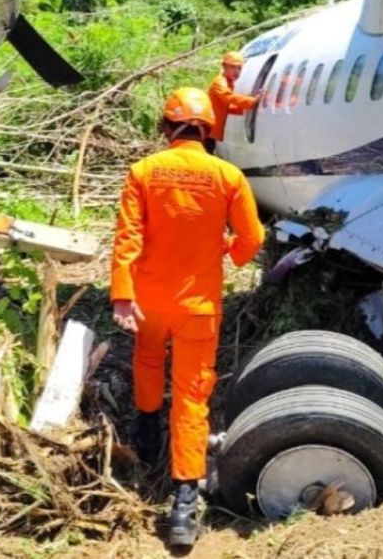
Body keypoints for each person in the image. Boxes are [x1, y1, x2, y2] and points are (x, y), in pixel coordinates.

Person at [110, 87, 266, 547]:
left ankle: (144, 433)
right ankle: (183, 504)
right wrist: (228, 252)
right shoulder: (228, 175)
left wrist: (122, 294)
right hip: (199, 307)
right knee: (192, 397)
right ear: (208, 129)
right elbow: (252, 238)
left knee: (147, 359)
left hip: (150, 303)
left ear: (166, 127)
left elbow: (128, 239)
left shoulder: (143, 172)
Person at [206, 50, 258, 154]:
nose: (236, 71)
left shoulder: (228, 83)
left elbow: (225, 107)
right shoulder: (219, 82)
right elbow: (228, 97)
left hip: (211, 132)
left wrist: (245, 108)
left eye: (239, 68)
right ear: (224, 67)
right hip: (207, 130)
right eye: (233, 67)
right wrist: (252, 101)